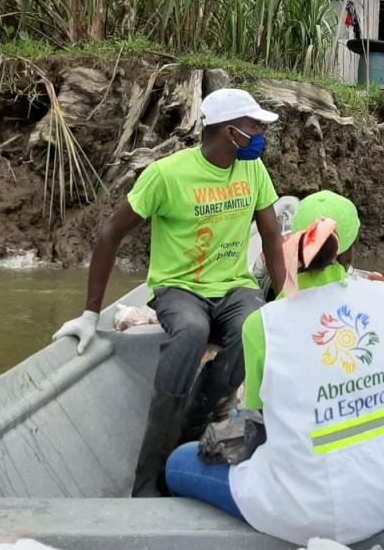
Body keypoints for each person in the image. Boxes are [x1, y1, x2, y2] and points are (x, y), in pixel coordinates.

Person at [52, 88, 288, 497]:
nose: (261, 134)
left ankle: (191, 429)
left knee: (258, 325)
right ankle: (149, 477)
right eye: (254, 127)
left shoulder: (253, 171)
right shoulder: (166, 175)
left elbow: (270, 236)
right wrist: (91, 314)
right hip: (178, 287)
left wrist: (285, 301)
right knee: (191, 331)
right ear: (229, 132)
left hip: (233, 286)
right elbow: (110, 234)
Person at [165, 191, 384, 546]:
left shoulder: (262, 323)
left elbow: (254, 417)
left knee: (179, 463)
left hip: (307, 512)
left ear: (295, 243)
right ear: (351, 252)